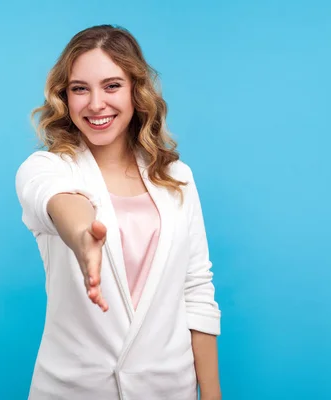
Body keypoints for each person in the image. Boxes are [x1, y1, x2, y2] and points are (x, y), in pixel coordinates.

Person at [15, 24, 222, 400]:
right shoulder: (46, 167)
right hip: (72, 389)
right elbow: (58, 200)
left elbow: (196, 290)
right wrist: (83, 237)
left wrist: (211, 394)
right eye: (80, 88)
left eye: (112, 86)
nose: (96, 104)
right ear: (65, 96)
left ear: (136, 92)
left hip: (168, 389)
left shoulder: (177, 178)